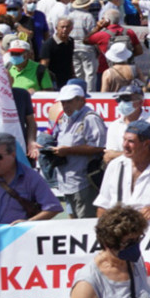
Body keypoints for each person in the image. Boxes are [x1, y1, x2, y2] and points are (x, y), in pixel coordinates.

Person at [93, 119, 150, 219]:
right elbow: (103, 203)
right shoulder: (115, 165)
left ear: (146, 143)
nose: (125, 145)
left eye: (131, 141)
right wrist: (103, 225)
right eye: (124, 140)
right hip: (119, 225)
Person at [51, 83, 108, 218]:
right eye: (63, 102)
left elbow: (99, 147)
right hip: (67, 180)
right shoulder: (64, 119)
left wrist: (69, 150)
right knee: (74, 221)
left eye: (69, 102)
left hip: (84, 181)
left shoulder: (90, 118)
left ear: (81, 100)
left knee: (85, 222)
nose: (65, 106)